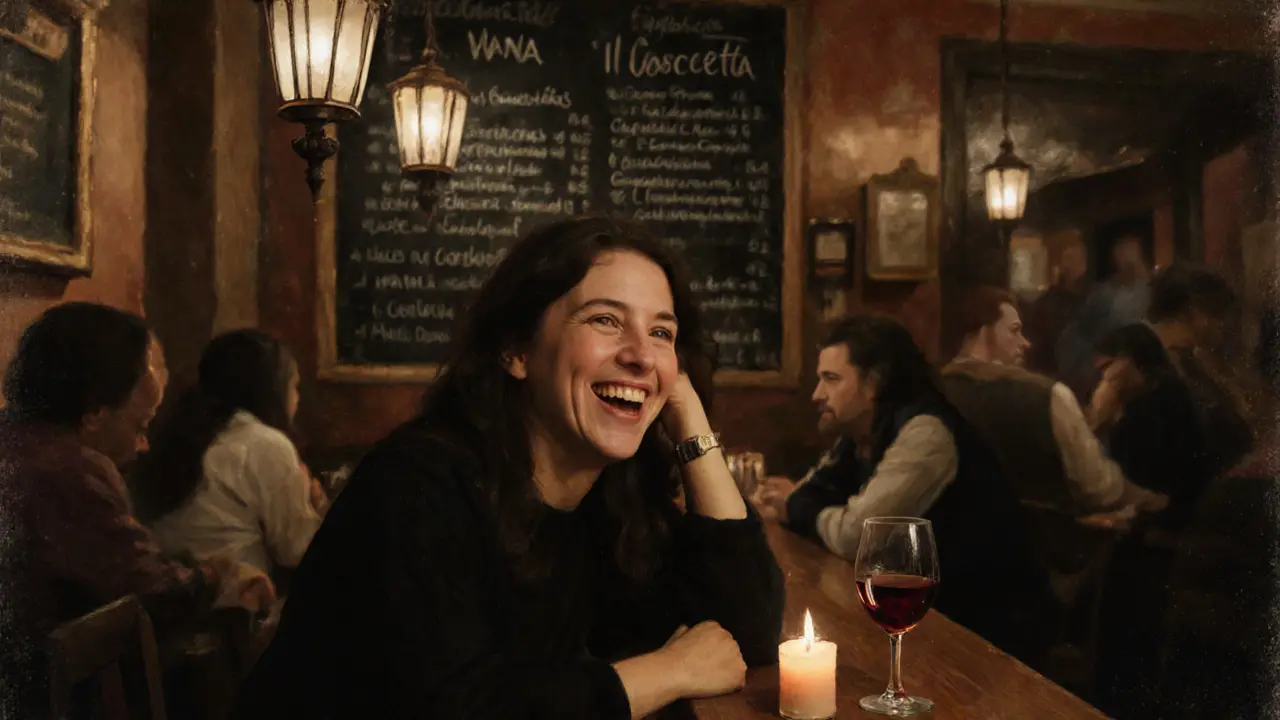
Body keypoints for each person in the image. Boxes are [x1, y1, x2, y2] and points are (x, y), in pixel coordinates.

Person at [234, 217, 785, 718]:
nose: (641, 355)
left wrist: (689, 422)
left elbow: (741, 637)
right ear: (516, 350)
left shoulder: (606, 502)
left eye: (662, 333)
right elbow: (452, 707)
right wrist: (666, 671)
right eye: (605, 320)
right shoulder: (419, 483)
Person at [0, 303, 273, 716]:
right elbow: (153, 592)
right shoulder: (70, 471)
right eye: (140, 426)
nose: (144, 446)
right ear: (94, 414)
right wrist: (219, 576)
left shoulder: (15, 439)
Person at [751, 314, 1039, 657]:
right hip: (925, 623)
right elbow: (803, 497)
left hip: (982, 636)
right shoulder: (857, 434)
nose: (817, 394)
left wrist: (795, 506)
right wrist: (796, 503)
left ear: (873, 383)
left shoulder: (926, 433)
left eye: (831, 379)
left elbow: (858, 536)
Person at [941, 286, 1163, 515]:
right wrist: (1147, 498)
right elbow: (1100, 487)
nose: (1025, 343)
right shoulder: (1048, 395)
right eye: (1014, 330)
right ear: (984, 333)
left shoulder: (937, 391)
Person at [134, 330, 326, 580]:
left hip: (173, 595)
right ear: (272, 390)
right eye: (294, 386)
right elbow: (298, 552)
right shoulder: (267, 444)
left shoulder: (175, 435)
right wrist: (318, 506)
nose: (297, 398)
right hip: (237, 603)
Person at [1146, 263, 1254, 477]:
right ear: (1192, 311)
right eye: (1218, 314)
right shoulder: (1164, 366)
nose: (1222, 324)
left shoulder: (1192, 360)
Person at [1057, 234, 1151, 400]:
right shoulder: (1103, 295)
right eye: (1121, 253)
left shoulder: (1151, 292)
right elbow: (1079, 336)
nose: (1124, 259)